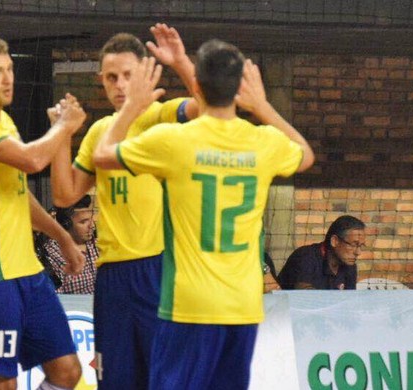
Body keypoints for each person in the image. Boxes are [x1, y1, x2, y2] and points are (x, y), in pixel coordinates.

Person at [93, 40, 314, 388]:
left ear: (199, 85)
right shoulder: (264, 142)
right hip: (242, 305)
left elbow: (102, 155)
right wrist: (262, 106)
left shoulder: (174, 140)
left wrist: (131, 108)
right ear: (240, 87)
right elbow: (306, 155)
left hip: (189, 304)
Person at [49, 24, 198, 389]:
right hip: (112, 278)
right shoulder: (102, 130)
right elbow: (65, 196)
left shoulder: (160, 117)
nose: (119, 85)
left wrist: (180, 62)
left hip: (158, 269)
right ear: (101, 79)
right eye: (111, 77)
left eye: (128, 76)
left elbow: (210, 106)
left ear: (145, 74)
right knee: (114, 380)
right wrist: (61, 135)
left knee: (163, 378)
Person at [0, 32, 87, 390]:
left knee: (68, 372)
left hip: (27, 272)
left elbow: (18, 194)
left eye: (9, 69)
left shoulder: (4, 123)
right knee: (1, 384)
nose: (8, 79)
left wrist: (63, 238)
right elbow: (34, 159)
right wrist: (64, 126)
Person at [277, 215, 366, 290]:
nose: (358, 252)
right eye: (353, 245)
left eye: (360, 246)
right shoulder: (306, 257)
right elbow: (304, 298)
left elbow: (348, 302)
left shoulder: (349, 266)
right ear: (334, 241)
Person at [39, 195, 99, 294]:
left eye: (91, 219)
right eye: (83, 222)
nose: (92, 226)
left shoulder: (97, 245)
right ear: (66, 225)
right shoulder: (53, 254)